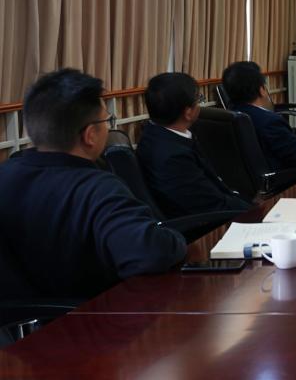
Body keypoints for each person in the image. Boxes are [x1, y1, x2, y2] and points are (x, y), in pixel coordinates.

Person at [0, 69, 186, 300]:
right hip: (89, 318)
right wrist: (175, 239)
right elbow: (150, 254)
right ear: (90, 135)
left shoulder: (5, 174)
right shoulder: (97, 187)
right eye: (107, 121)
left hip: (16, 322)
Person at [136, 73, 251, 219]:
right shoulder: (173, 158)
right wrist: (255, 211)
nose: (200, 104)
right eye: (199, 99)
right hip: (212, 224)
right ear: (188, 113)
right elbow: (212, 207)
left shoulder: (153, 134)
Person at [222, 61, 296, 171]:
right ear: (261, 89)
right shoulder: (270, 122)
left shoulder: (227, 117)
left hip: (248, 178)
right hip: (286, 177)